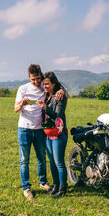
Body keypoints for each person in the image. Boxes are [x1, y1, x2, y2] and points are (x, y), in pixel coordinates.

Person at [14, 64, 64, 200]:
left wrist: (62, 90)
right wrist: (22, 104)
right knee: (24, 160)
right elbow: (15, 109)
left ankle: (43, 182)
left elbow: (55, 86)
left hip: (40, 130)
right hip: (24, 129)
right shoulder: (22, 89)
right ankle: (26, 188)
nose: (36, 82)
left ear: (41, 76)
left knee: (41, 157)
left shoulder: (44, 86)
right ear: (29, 78)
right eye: (33, 80)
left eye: (37, 79)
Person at [37, 72, 68, 198]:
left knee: (59, 162)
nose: (44, 86)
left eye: (47, 84)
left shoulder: (59, 96)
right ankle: (56, 186)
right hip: (48, 133)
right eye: (43, 84)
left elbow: (58, 115)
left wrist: (45, 107)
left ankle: (63, 188)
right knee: (52, 162)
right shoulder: (46, 96)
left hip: (59, 133)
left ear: (53, 84)